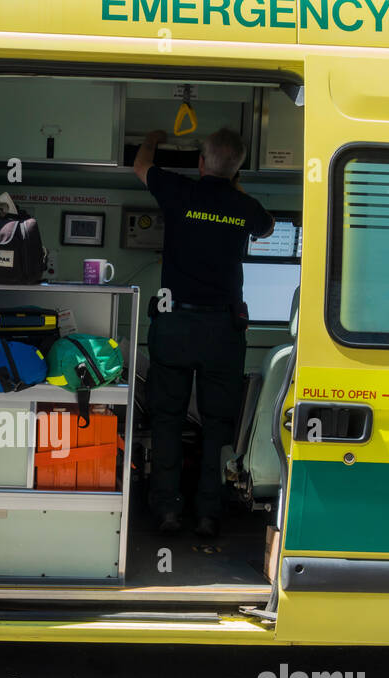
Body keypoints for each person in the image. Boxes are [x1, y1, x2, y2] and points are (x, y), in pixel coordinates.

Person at [133, 127, 274, 538]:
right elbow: (265, 229)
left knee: (167, 419)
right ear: (237, 169)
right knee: (218, 424)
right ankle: (209, 514)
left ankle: (167, 511)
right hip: (222, 332)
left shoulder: (178, 192)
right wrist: (235, 190)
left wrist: (154, 138)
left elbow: (140, 166)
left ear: (200, 162)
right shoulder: (245, 205)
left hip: (175, 324)